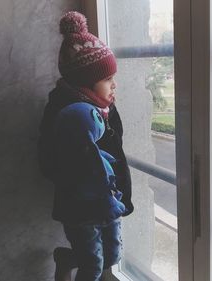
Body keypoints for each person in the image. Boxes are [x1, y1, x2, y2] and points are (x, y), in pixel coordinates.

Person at [37, 11, 134, 281]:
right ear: (84, 83)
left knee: (112, 256)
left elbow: (116, 147)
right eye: (107, 79)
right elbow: (47, 158)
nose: (114, 85)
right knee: (92, 265)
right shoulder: (62, 112)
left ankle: (68, 257)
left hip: (109, 198)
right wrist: (77, 179)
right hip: (79, 202)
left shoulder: (106, 108)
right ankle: (74, 261)